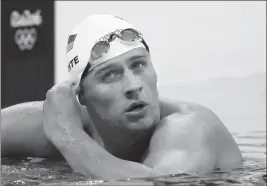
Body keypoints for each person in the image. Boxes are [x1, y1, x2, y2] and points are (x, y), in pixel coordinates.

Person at [1, 15, 242, 180]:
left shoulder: (190, 127)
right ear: (81, 95)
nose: (133, 85)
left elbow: (160, 185)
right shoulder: (65, 121)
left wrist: (68, 138)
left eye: (138, 65)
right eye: (110, 75)